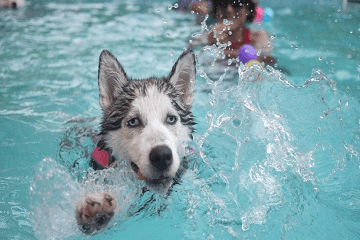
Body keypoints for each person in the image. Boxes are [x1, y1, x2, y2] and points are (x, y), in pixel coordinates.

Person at [208, 0, 276, 65]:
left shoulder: (258, 36)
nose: (229, 10)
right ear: (215, 9)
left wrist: (225, 53)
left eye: (236, 4)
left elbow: (269, 61)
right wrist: (211, 42)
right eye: (223, 3)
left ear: (248, 10)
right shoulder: (207, 38)